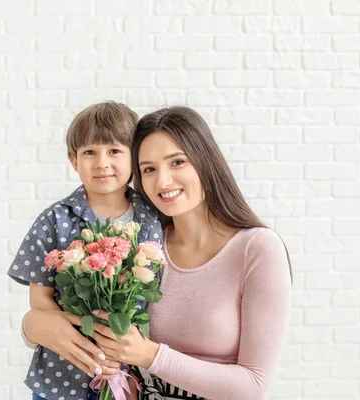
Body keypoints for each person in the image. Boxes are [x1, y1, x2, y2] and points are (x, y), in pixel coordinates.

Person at [86, 106, 292, 399]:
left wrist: (152, 356)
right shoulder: (143, 248)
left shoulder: (257, 249)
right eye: (149, 169)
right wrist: (32, 326)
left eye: (177, 162)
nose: (163, 181)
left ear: (205, 162)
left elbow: (253, 386)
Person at [8, 101, 163, 400]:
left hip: (129, 373)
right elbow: (40, 301)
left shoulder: (152, 218)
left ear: (134, 158)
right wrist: (89, 341)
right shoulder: (54, 219)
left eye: (115, 151)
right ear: (73, 160)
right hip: (61, 373)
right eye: (89, 152)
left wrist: (117, 344)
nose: (102, 162)